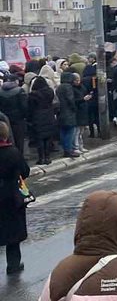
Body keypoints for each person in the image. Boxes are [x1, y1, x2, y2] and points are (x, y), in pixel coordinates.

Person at [0, 119, 30, 274]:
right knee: (12, 233)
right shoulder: (13, 152)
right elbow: (25, 171)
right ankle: (13, 265)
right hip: (11, 196)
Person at [27, 72, 57, 165]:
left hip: (38, 118)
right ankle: (47, 157)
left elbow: (30, 108)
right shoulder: (50, 92)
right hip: (49, 116)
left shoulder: (33, 95)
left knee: (39, 139)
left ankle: (41, 158)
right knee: (48, 138)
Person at [0, 71, 28, 154]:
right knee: (19, 140)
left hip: (5, 119)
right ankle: (19, 155)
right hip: (18, 120)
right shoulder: (19, 90)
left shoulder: (1, 91)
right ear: (15, 81)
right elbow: (24, 107)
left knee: (8, 139)